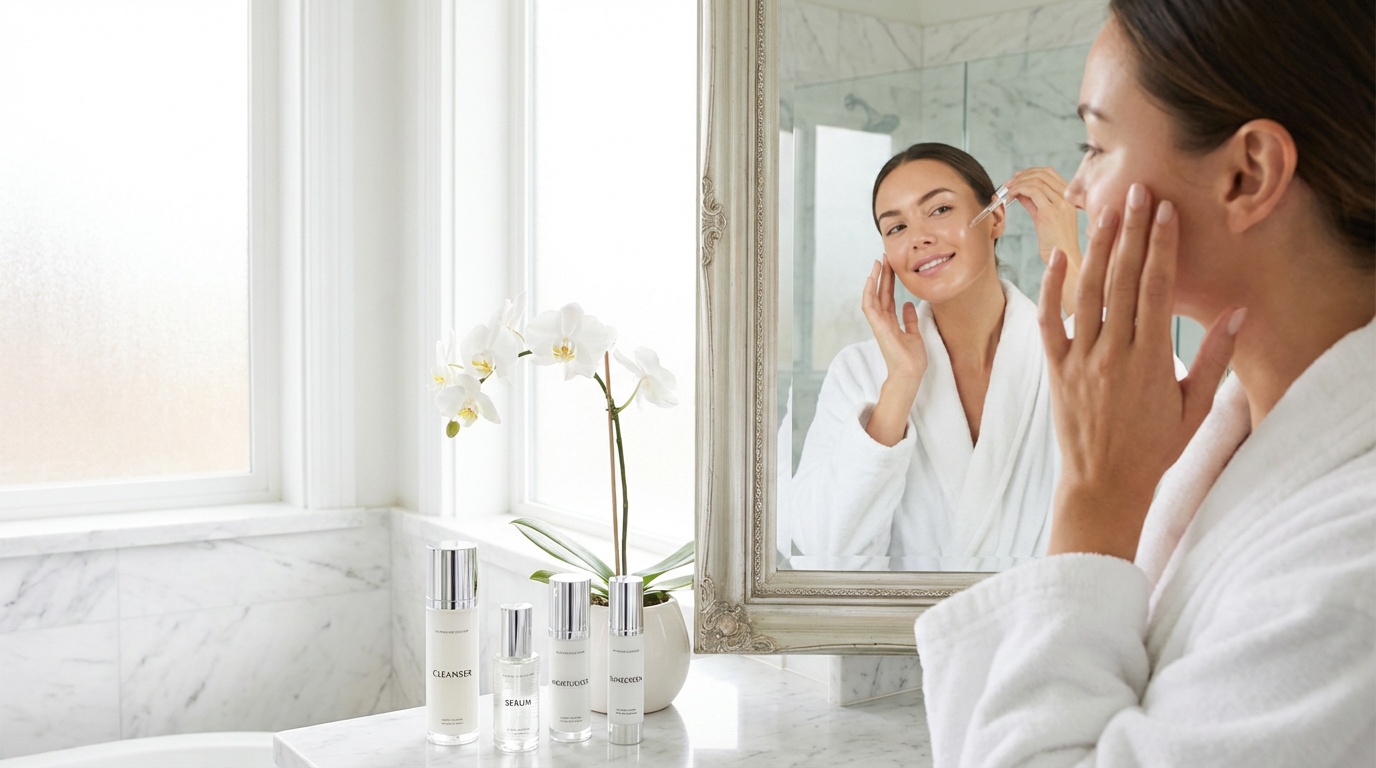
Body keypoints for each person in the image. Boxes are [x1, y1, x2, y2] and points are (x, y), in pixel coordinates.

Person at [913, 0, 1374, 764]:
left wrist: (1095, 504)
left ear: (1247, 173)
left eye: (1096, 145)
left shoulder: (1351, 570)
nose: (1081, 189)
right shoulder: (1226, 440)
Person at [790, 143, 1082, 568]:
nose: (919, 238)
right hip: (905, 635)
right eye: (895, 228)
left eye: (940, 210)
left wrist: (1068, 263)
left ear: (995, 217)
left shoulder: (1072, 350)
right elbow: (826, 555)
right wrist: (902, 383)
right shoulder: (861, 373)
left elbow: (1154, 464)